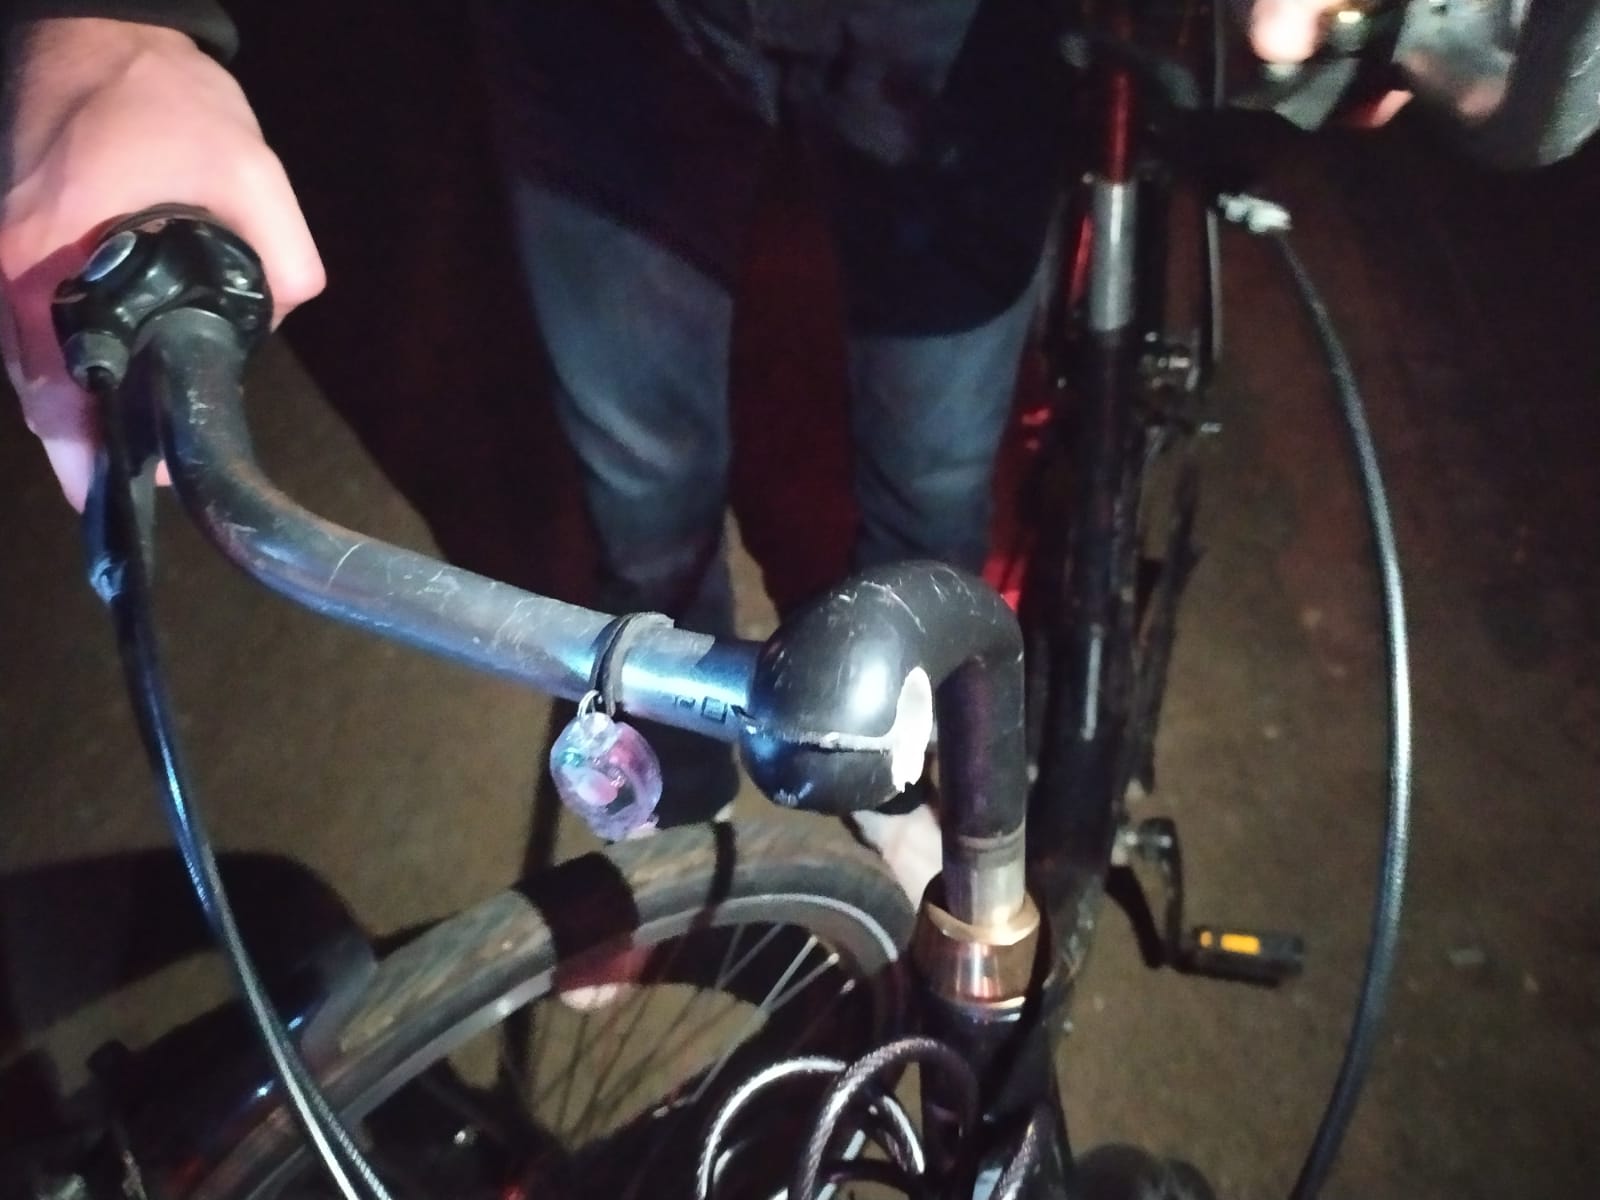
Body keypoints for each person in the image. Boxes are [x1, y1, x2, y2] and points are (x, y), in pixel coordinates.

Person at [0, 0, 1351, 899]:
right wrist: (111, 23)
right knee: (639, 470)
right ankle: (675, 793)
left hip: (958, 36)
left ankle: (896, 763)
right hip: (601, 31)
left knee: (935, 474)